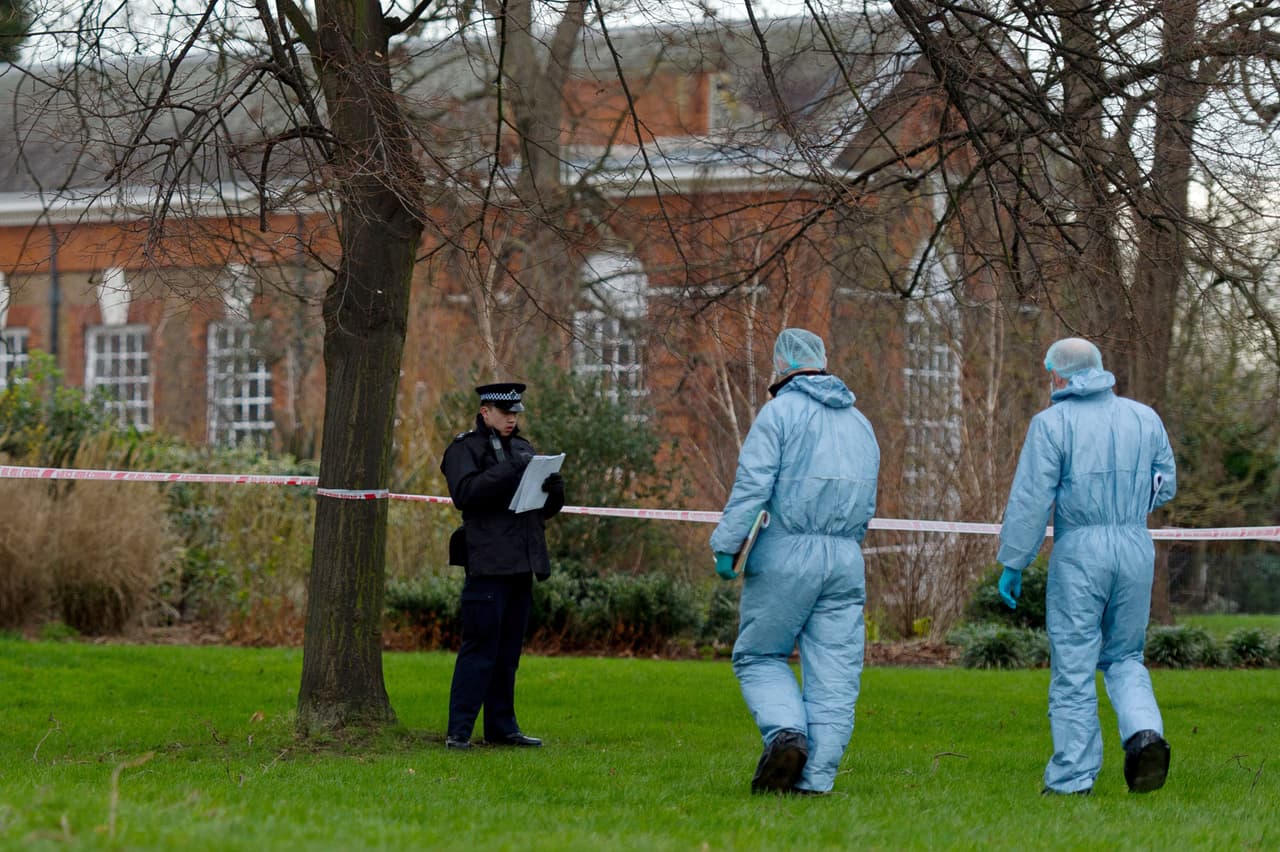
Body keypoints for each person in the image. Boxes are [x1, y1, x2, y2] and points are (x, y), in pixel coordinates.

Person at [997, 337, 1177, 796]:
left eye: (1050, 374)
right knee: (1125, 656)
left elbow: (1031, 500)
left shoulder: (1052, 424)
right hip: (1135, 545)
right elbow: (1167, 484)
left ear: (1060, 375)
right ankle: (1144, 735)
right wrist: (1130, 507)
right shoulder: (1145, 418)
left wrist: (1014, 561)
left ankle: (1073, 777)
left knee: (1074, 663)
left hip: (1080, 550)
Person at [710, 328, 880, 795]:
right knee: (836, 671)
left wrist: (727, 546)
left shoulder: (779, 414)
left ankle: (786, 732)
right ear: (822, 362)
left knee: (759, 654)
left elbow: (752, 487)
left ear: (782, 366)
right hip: (846, 558)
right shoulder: (860, 423)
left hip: (787, 552)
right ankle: (816, 779)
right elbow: (867, 502)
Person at [440, 381, 565, 751]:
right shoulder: (465, 449)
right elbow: (465, 493)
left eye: (515, 414)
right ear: (485, 412)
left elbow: (539, 509)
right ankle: (459, 731)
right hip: (488, 564)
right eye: (505, 413)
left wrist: (554, 491)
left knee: (508, 653)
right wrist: (511, 470)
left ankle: (502, 728)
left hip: (521, 563)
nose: (512, 419)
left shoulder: (524, 449)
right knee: (479, 649)